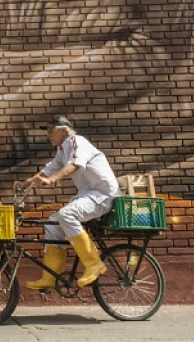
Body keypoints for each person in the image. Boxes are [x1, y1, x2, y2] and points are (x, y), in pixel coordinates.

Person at [15, 115, 122, 289]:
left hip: (103, 194)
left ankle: (94, 263)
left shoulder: (76, 142)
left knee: (67, 214)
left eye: (51, 130)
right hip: (88, 195)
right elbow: (46, 171)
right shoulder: (62, 150)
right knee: (52, 223)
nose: (48, 134)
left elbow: (74, 165)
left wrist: (52, 180)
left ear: (64, 130)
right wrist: (24, 183)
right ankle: (51, 278)